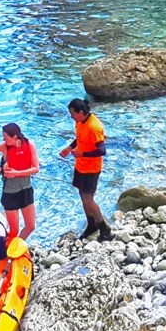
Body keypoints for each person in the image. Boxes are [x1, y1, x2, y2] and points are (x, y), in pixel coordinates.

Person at [60, 98, 110, 242]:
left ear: (81, 112)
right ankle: (91, 224)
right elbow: (79, 138)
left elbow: (101, 150)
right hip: (80, 166)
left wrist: (82, 154)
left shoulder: (94, 127)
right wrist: (69, 148)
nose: (71, 117)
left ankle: (104, 228)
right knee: (83, 197)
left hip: (91, 169)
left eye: (72, 114)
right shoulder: (80, 122)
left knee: (88, 200)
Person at [0, 122, 39, 241]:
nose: (3, 139)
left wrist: (16, 173)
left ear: (14, 137)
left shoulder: (29, 144)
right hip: (10, 194)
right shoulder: (4, 146)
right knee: (14, 230)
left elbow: (36, 169)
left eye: (5, 137)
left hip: (26, 190)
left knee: (30, 226)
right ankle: (8, 251)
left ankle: (16, 246)